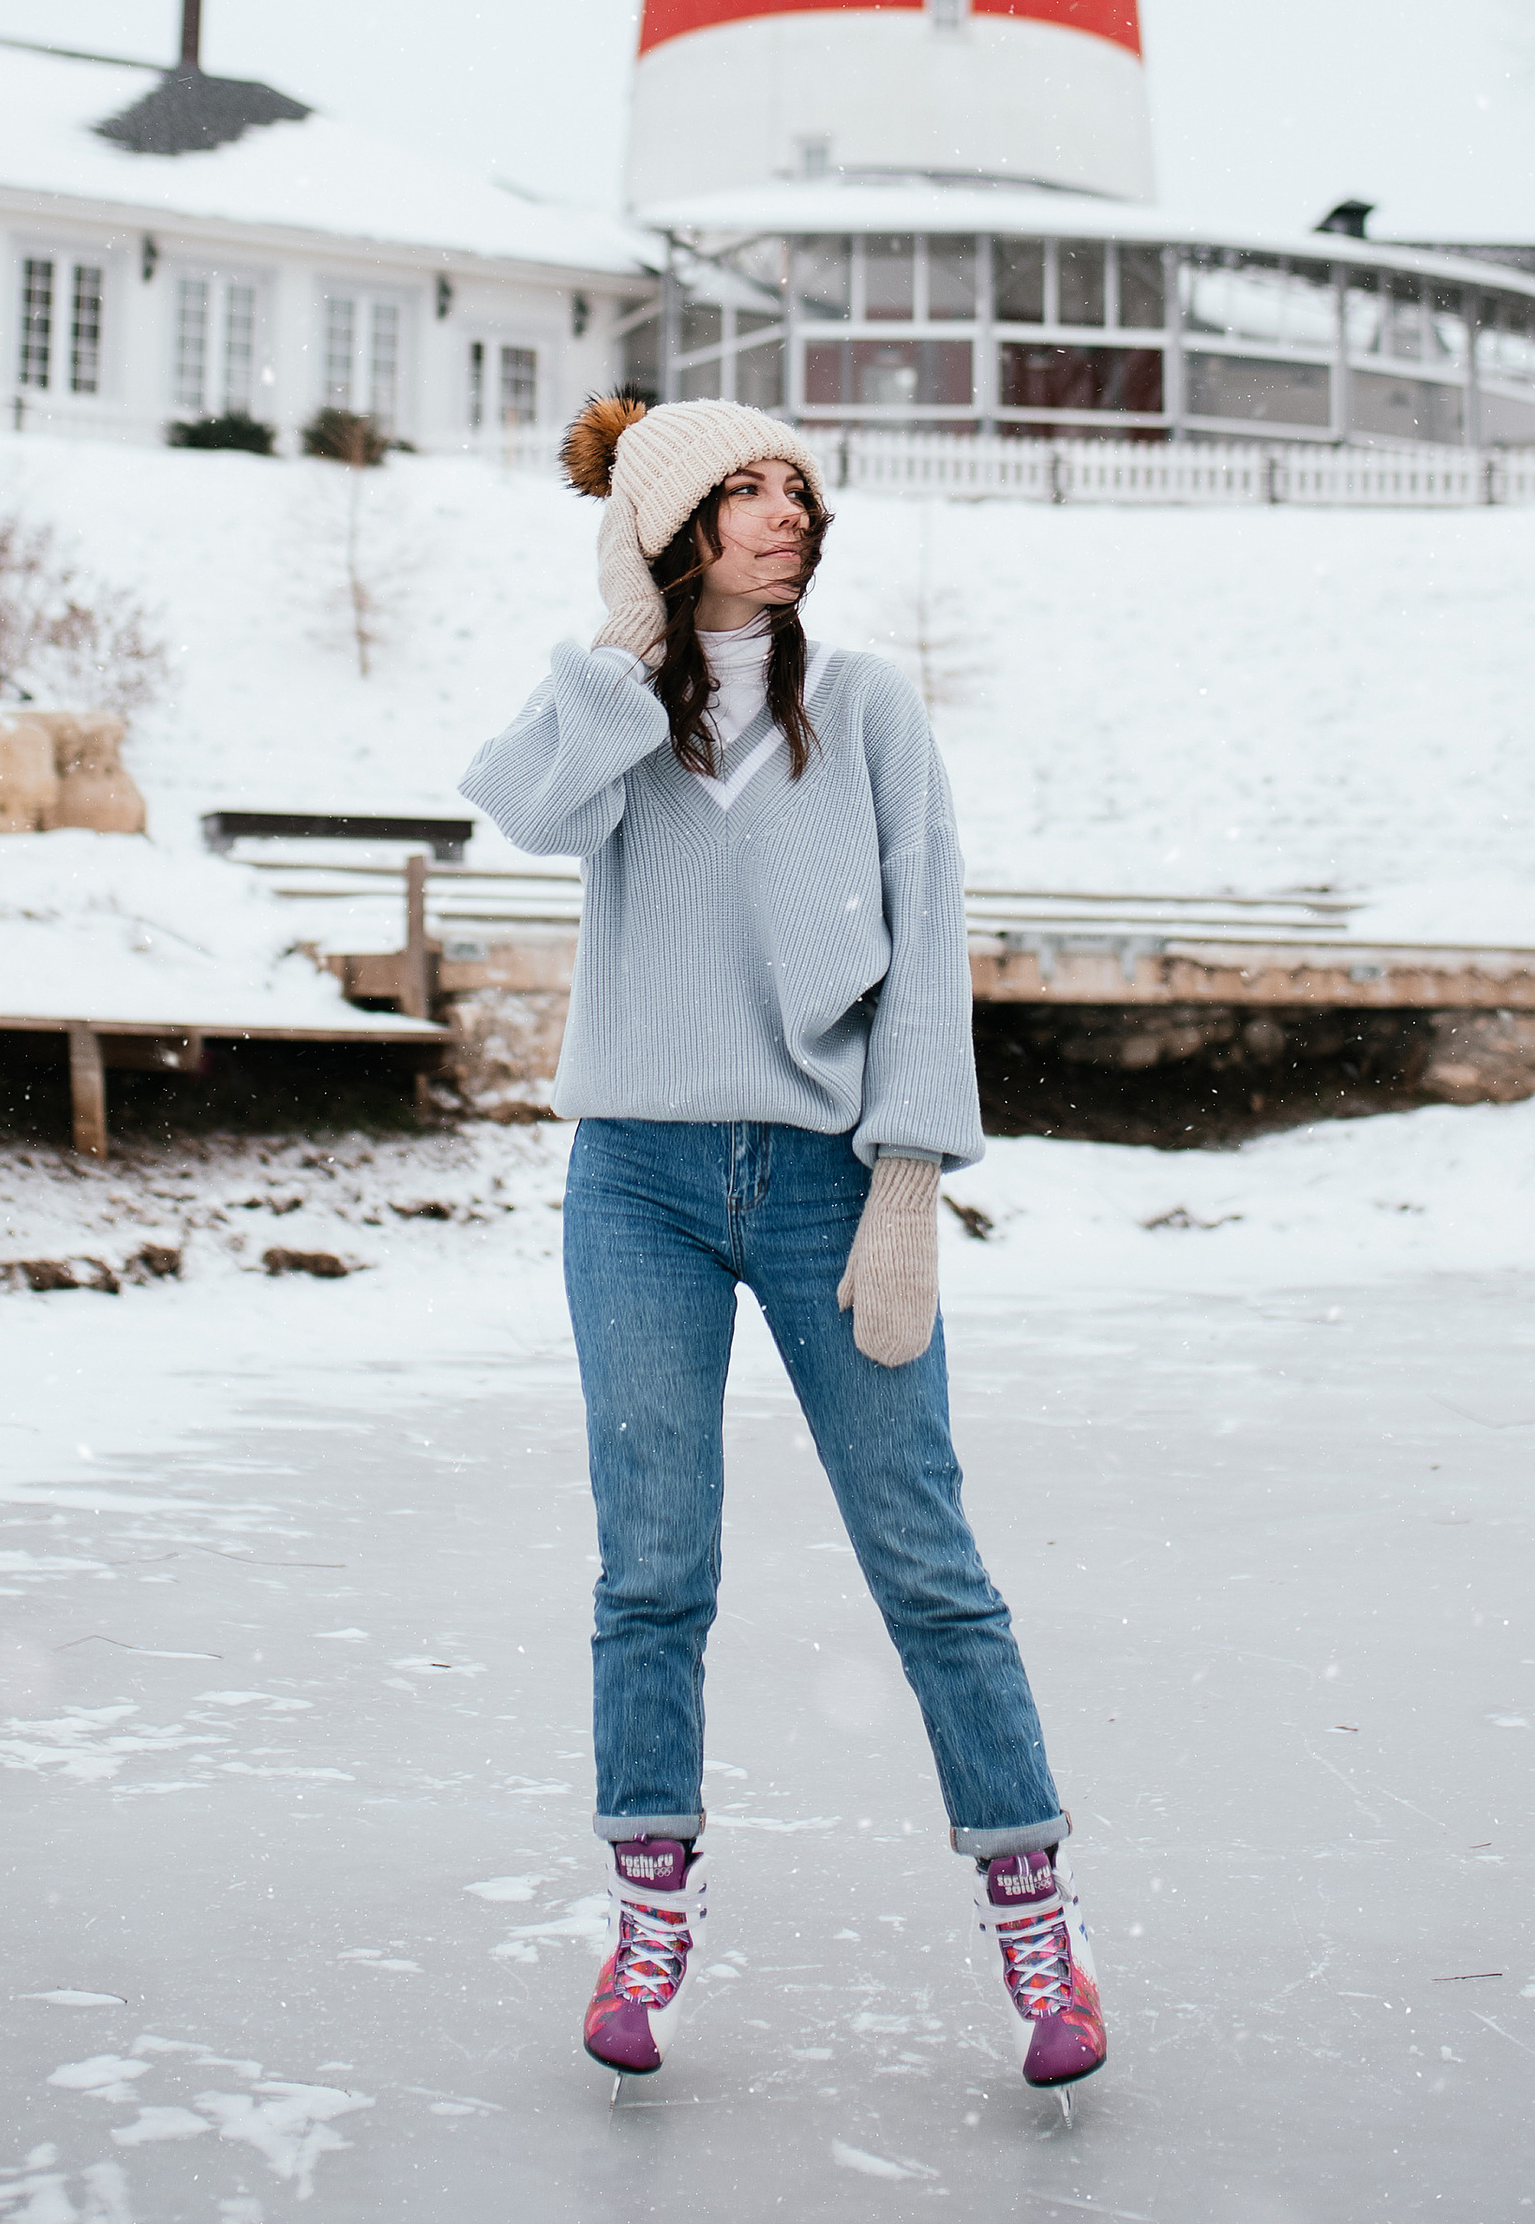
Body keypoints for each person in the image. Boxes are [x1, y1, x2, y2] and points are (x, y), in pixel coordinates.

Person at [460, 394, 1106, 2094]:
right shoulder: (615, 722)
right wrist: (623, 640)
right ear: (672, 528)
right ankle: (648, 1912)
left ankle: (1038, 1921)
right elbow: (521, 811)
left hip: (830, 1181)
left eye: (797, 490)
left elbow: (928, 936)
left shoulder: (873, 712)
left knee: (929, 1564)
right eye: (743, 493)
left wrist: (909, 1179)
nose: (784, 515)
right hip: (639, 1185)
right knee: (651, 1567)